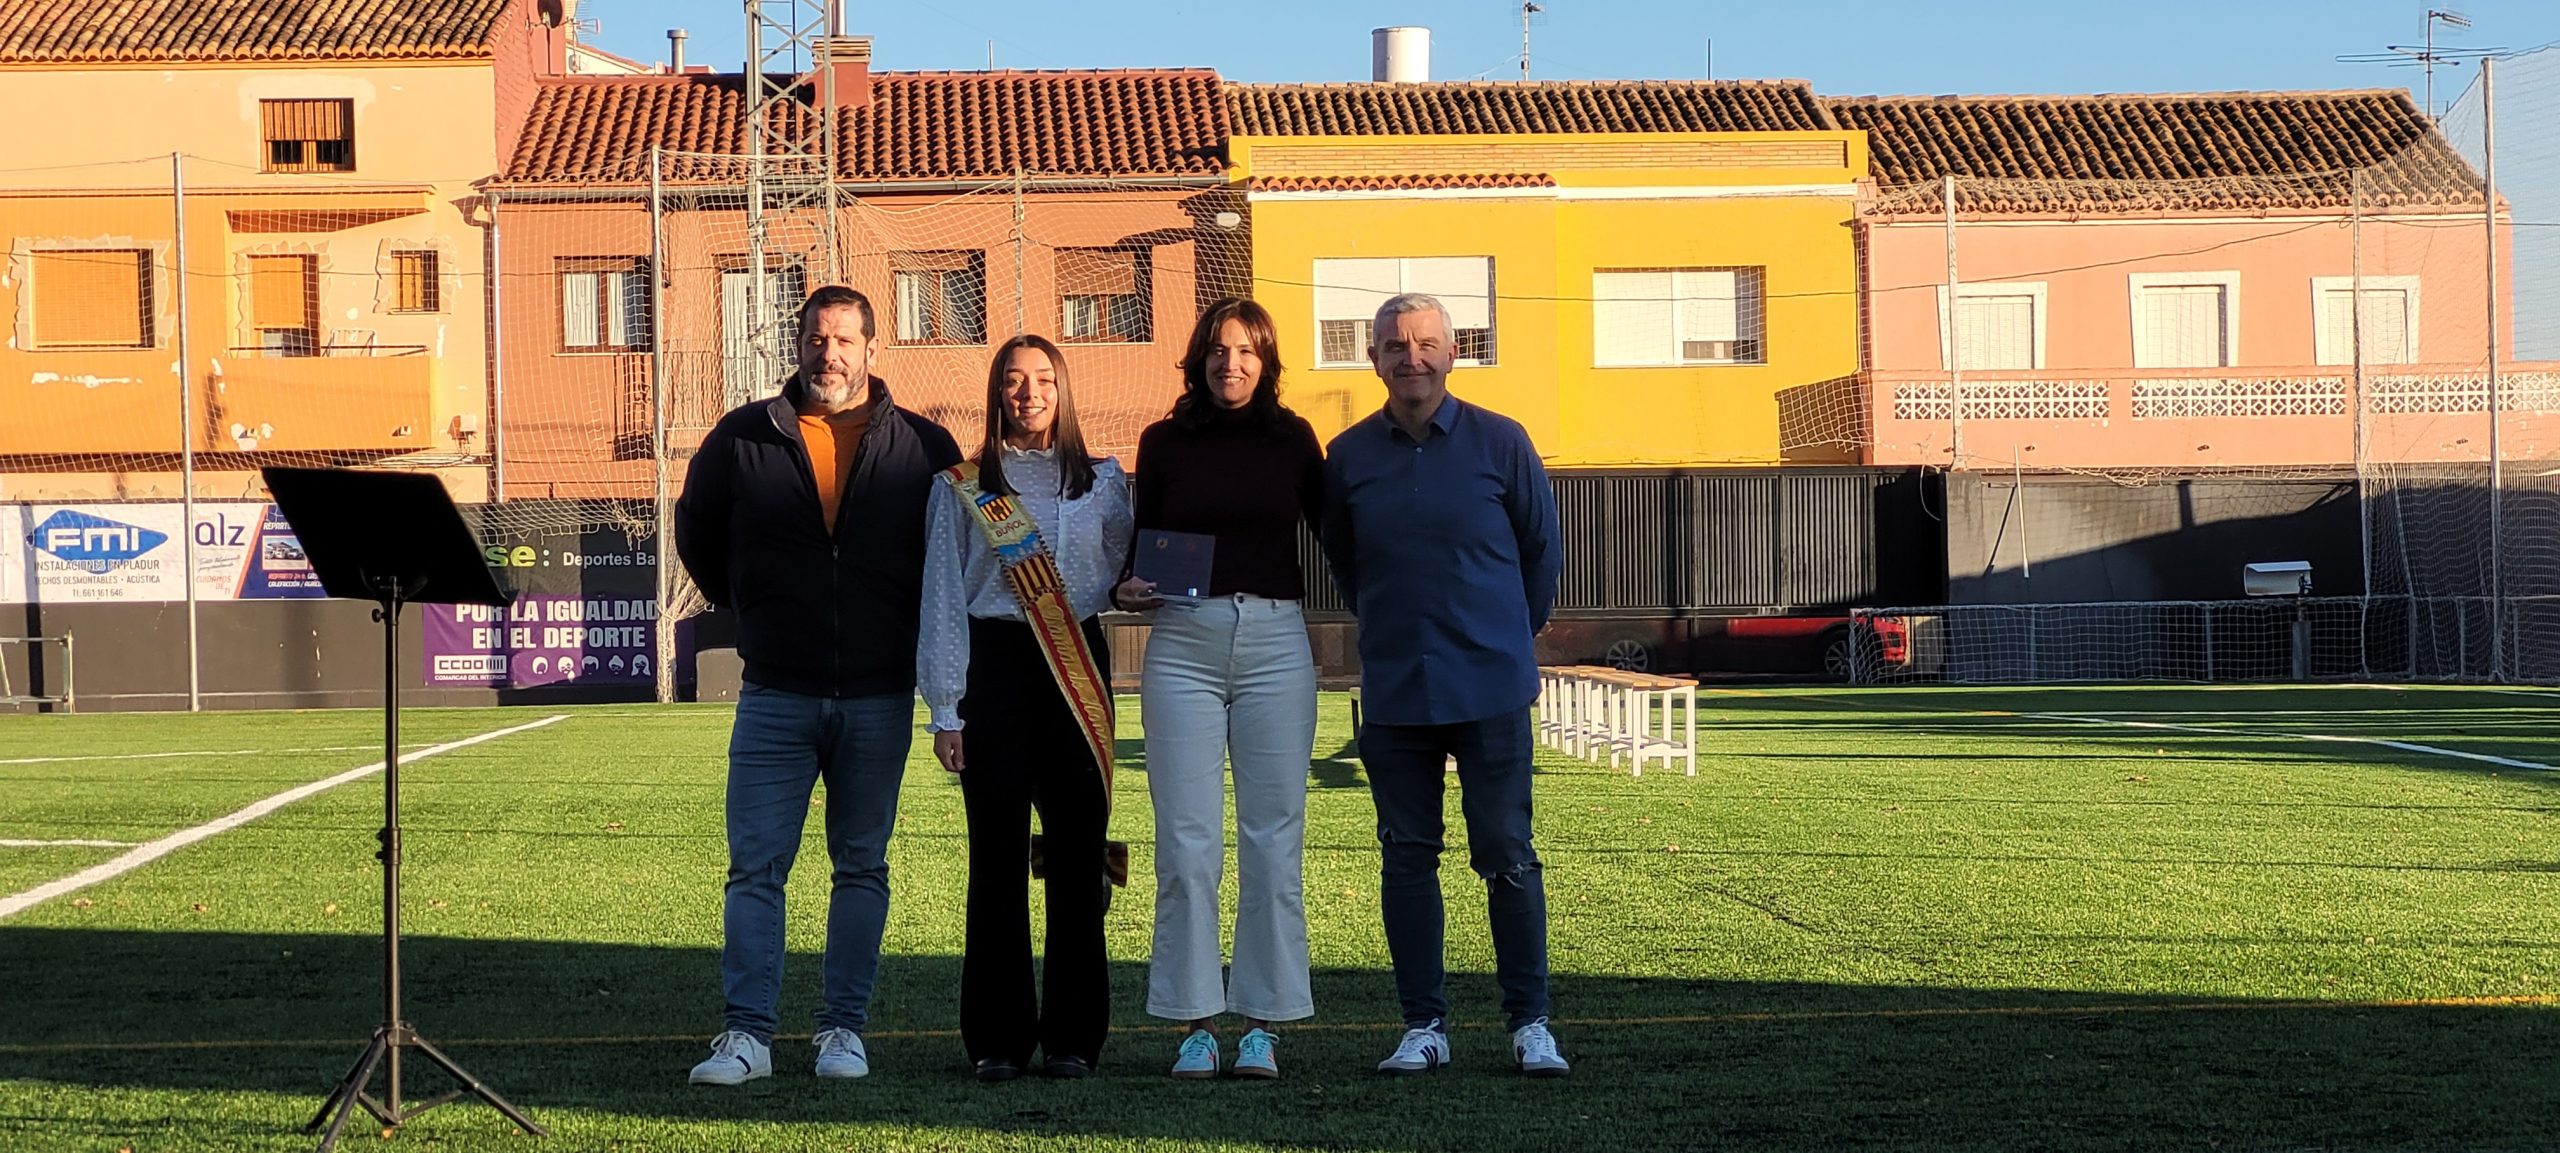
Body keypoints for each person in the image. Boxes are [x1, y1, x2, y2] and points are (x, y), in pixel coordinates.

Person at [674, 285, 962, 1085]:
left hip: (879, 695)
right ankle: (747, 1036)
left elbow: (954, 561)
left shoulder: (927, 447)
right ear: (796, 345)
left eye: (843, 339)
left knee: (861, 865)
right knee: (755, 867)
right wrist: (755, 605)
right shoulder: (742, 437)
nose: (828, 354)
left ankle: (843, 1030)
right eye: (815, 338)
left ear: (871, 348)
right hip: (775, 692)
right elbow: (697, 532)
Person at [1319, 292, 1569, 1078]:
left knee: (1508, 854)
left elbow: (1542, 553)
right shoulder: (1347, 457)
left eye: (1426, 342)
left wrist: (1504, 636)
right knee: (1406, 858)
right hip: (1397, 691)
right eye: (1395, 345)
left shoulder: (1503, 442)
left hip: (1491, 687)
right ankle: (1423, 1025)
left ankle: (1530, 1023)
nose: (1412, 357)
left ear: (1453, 352)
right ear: (1373, 359)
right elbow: (1346, 562)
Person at [1112, 299, 1325, 1080]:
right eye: (1217, 350)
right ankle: (1195, 1024)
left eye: (1245, 351)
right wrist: (1128, 586)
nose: (1230, 363)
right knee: (1186, 843)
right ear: (1198, 358)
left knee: (1273, 840)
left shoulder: (1295, 439)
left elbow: (1340, 535)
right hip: (1183, 647)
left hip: (1276, 643)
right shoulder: (1163, 441)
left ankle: (1262, 1026)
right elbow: (1138, 550)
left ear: (1266, 361)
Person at [919, 334, 1135, 1082]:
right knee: (997, 855)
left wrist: (1135, 588)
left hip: (1076, 661)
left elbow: (1119, 571)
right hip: (995, 669)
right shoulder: (960, 486)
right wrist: (946, 708)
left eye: (1044, 378)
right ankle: (998, 1037)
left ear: (1063, 389)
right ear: (997, 392)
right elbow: (943, 595)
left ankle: (1075, 1036)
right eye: (1014, 380)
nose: (1029, 392)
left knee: (1078, 852)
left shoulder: (1104, 482)